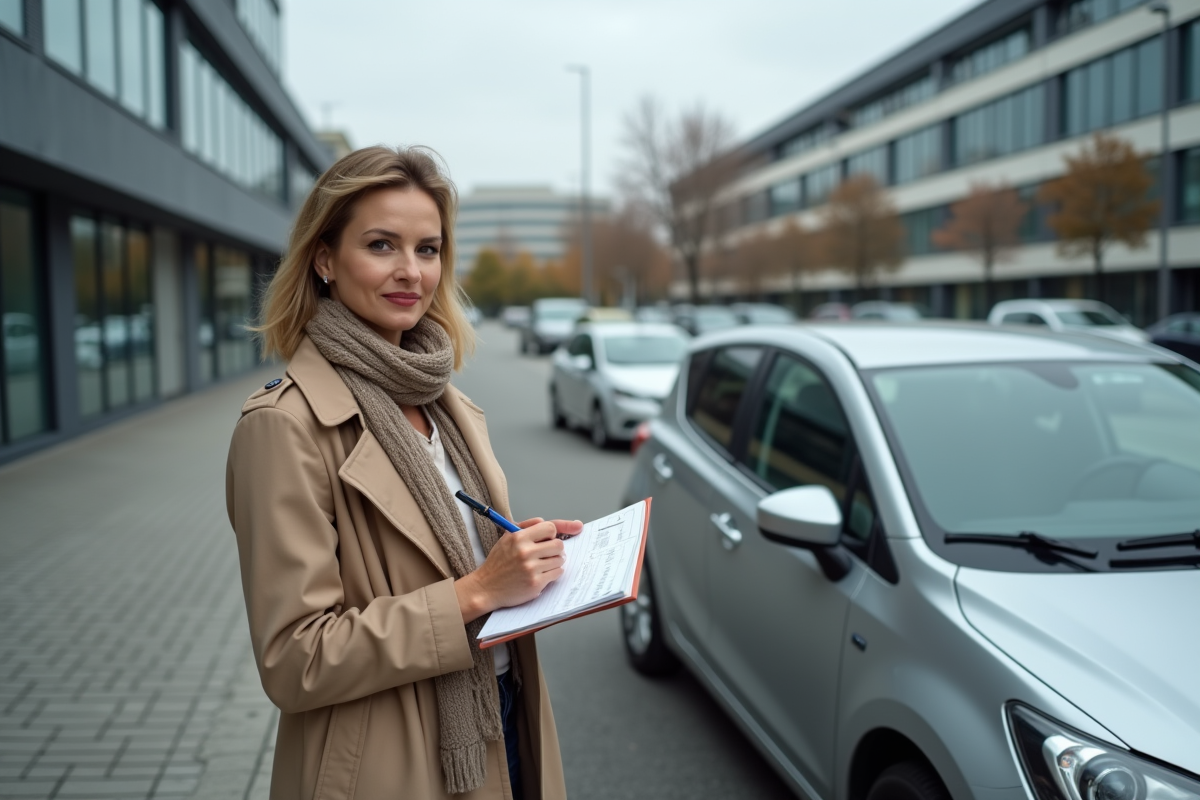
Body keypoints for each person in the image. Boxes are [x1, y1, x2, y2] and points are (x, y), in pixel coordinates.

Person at [225, 145, 579, 800]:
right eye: (382, 245)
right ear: (325, 259)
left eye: (428, 249)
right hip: (390, 760)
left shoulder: (450, 403)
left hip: (502, 718)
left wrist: (517, 557)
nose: (410, 272)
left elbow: (447, 554)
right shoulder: (284, 427)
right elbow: (296, 658)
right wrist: (475, 592)